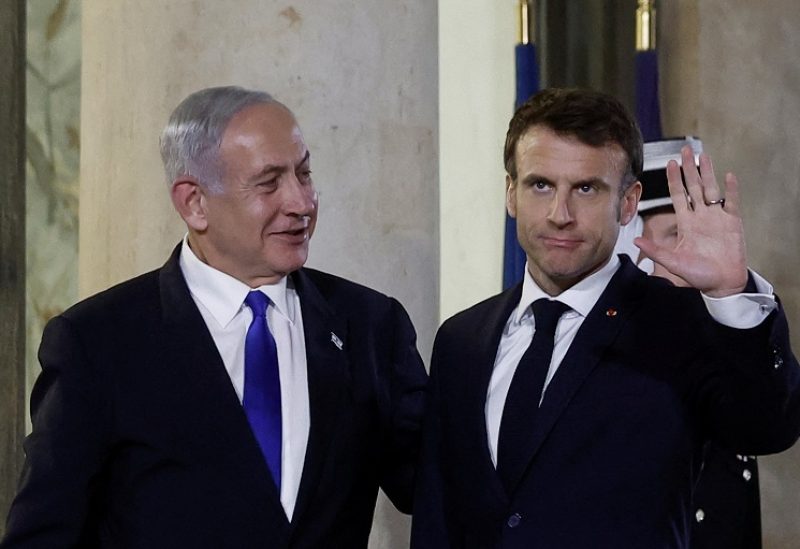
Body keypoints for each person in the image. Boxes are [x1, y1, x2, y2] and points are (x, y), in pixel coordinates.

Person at [1, 86, 428, 548]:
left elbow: (443, 487)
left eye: (304, 174)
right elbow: (42, 537)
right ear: (194, 203)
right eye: (269, 183)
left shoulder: (369, 327)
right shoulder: (98, 342)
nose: (301, 203)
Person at [411, 88, 800, 548]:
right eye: (541, 185)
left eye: (586, 189)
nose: (560, 215)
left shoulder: (679, 322)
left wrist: (731, 295)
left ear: (629, 202)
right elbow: (438, 515)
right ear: (511, 193)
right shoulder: (462, 339)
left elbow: (765, 427)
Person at [636, 137, 763, 549]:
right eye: (677, 233)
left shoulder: (734, 333)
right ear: (634, 248)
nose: (695, 253)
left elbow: (774, 420)